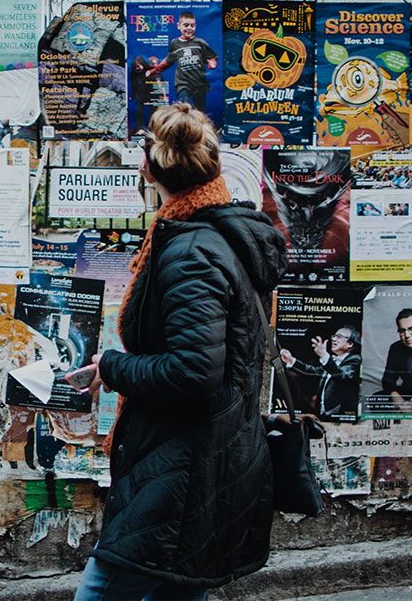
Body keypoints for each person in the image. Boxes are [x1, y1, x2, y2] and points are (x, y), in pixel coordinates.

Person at [73, 103, 286, 600]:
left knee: (104, 587)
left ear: (149, 168)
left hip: (183, 463)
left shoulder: (192, 252)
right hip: (207, 454)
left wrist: (114, 365)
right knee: (180, 587)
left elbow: (194, 371)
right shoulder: (218, 234)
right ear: (213, 165)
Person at [280, 326, 361, 421]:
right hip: (323, 413)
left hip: (340, 414)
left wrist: (324, 355)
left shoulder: (355, 360)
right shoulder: (333, 362)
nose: (334, 339)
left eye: (339, 336)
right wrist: (291, 360)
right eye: (334, 336)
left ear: (350, 343)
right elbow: (312, 372)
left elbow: (342, 375)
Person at [146, 11, 218, 112]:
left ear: (195, 26)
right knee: (184, 107)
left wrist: (212, 64)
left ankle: (198, 127)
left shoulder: (200, 43)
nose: (189, 28)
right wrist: (153, 70)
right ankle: (184, 127)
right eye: (186, 25)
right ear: (178, 26)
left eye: (192, 26)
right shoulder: (175, 43)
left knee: (200, 110)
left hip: (199, 82)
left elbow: (211, 58)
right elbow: (167, 61)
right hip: (183, 82)